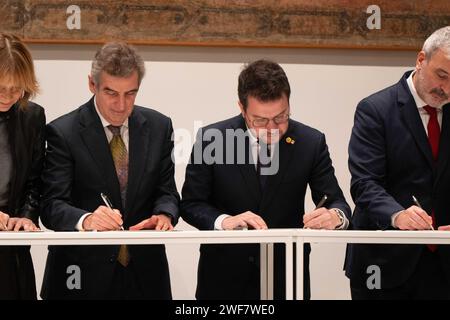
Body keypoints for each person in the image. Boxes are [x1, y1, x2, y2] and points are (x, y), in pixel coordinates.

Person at [180, 59, 351, 299]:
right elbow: (190, 204)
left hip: (287, 278)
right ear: (242, 108)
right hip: (224, 279)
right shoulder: (212, 138)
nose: (272, 128)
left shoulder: (310, 142)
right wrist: (223, 221)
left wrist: (335, 217)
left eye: (281, 117)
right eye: (260, 120)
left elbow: (338, 203)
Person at [40, 42, 180, 299]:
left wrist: (164, 215)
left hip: (146, 278)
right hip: (80, 278)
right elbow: (51, 205)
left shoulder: (160, 127)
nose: (121, 105)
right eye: (111, 93)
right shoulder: (63, 132)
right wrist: (86, 220)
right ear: (92, 85)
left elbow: (167, 191)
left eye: (130, 94)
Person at [346, 26, 450, 299]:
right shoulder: (375, 110)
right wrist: (398, 215)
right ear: (420, 60)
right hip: (385, 263)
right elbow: (364, 184)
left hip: (443, 267)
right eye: (442, 75)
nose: (446, 89)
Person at [0, 33, 44, 299]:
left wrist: (26, 217)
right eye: (1, 87)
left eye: (16, 88)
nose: (7, 96)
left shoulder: (32, 116)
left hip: (11, 246)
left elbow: (35, 180)